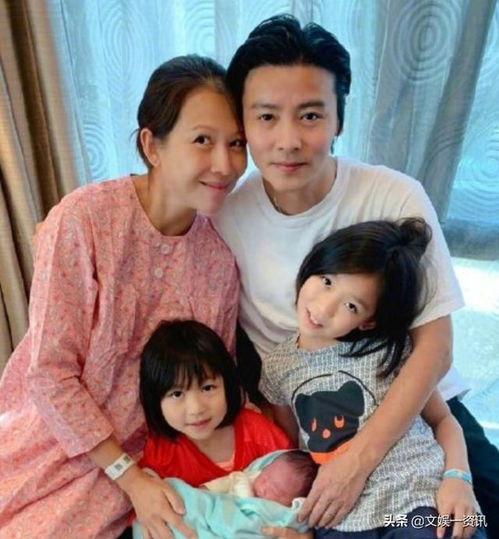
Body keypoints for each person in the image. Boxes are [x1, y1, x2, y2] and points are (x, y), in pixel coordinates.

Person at [213, 14, 499, 533]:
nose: (288, 140)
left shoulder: (394, 195)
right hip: (315, 425)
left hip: (416, 406)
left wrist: (361, 460)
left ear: (339, 120)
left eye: (310, 115)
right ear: (243, 125)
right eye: (267, 117)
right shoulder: (224, 218)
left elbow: (435, 348)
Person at [0, 55, 247, 539]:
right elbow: (50, 374)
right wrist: (128, 477)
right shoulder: (84, 220)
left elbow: (214, 379)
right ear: (151, 145)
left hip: (147, 460)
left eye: (236, 144)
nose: (225, 165)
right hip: (51, 440)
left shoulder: (219, 260)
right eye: (203, 140)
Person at [260, 218, 485, 539]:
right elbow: (295, 449)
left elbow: (444, 420)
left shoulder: (391, 351)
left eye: (351, 306)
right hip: (338, 518)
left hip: (415, 502)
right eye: (326, 281)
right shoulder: (277, 367)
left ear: (368, 321)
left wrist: (458, 478)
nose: (324, 307)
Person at [136, 320, 314, 538]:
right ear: (155, 400)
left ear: (227, 384)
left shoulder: (260, 434)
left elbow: (299, 505)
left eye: (207, 387)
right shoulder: (160, 456)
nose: (196, 408)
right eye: (177, 394)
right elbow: (154, 522)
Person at [203, 449, 319, 506]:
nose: (263, 488)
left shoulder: (284, 514)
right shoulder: (246, 479)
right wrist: (206, 490)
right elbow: (227, 481)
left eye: (274, 491)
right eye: (264, 478)